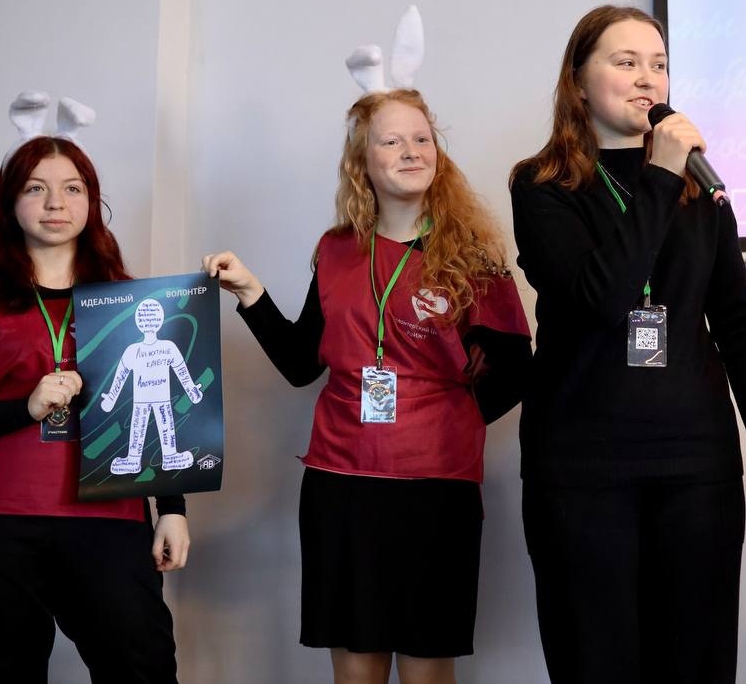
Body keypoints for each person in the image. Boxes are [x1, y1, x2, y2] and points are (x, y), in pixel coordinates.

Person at [509, 5, 746, 684]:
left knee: (695, 662)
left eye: (659, 64)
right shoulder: (542, 186)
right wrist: (661, 176)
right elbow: (604, 299)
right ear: (578, 83)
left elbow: (737, 317)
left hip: (694, 462)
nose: (648, 78)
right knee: (596, 662)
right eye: (626, 62)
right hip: (581, 466)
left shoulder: (700, 186)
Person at [203, 88, 530, 684]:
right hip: (342, 485)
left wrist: (444, 419)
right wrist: (250, 292)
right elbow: (302, 364)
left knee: (427, 670)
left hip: (437, 488)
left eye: (422, 138)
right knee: (357, 669)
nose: (411, 151)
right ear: (362, 162)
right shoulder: (336, 251)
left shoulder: (473, 256)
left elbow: (515, 367)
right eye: (392, 140)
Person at [0, 134, 186, 683]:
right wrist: (23, 408)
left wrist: (173, 508)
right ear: (9, 203)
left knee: (143, 667)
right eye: (34, 189)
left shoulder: (132, 303)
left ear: (91, 201)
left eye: (72, 189)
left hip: (108, 517)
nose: (54, 204)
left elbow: (164, 404)